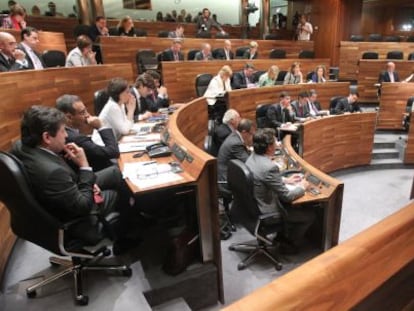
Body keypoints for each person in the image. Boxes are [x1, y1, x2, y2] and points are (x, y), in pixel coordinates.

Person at [11, 106, 124, 247]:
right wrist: (84, 166)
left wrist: (85, 180)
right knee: (118, 193)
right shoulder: (53, 173)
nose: (66, 135)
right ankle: (124, 238)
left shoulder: (21, 146)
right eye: (63, 131)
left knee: (115, 173)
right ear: (47, 137)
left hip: (62, 196)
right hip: (77, 218)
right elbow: (84, 205)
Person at [246, 128, 315, 251]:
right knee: (309, 215)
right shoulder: (269, 167)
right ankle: (289, 244)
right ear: (269, 148)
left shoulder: (252, 157)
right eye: (275, 142)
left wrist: (284, 180)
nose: (277, 144)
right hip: (265, 210)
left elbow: (261, 177)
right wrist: (302, 187)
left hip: (251, 206)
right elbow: (287, 196)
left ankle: (281, 237)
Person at [56, 94, 119, 172]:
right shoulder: (76, 139)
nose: (88, 115)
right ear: (69, 117)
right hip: (101, 173)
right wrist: (101, 127)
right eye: (82, 112)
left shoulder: (68, 132)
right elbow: (114, 152)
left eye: (86, 110)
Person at [217, 118, 255, 186]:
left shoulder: (235, 136)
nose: (252, 137)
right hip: (226, 182)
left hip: (230, 174)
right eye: (251, 134)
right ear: (244, 132)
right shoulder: (236, 143)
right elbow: (249, 163)